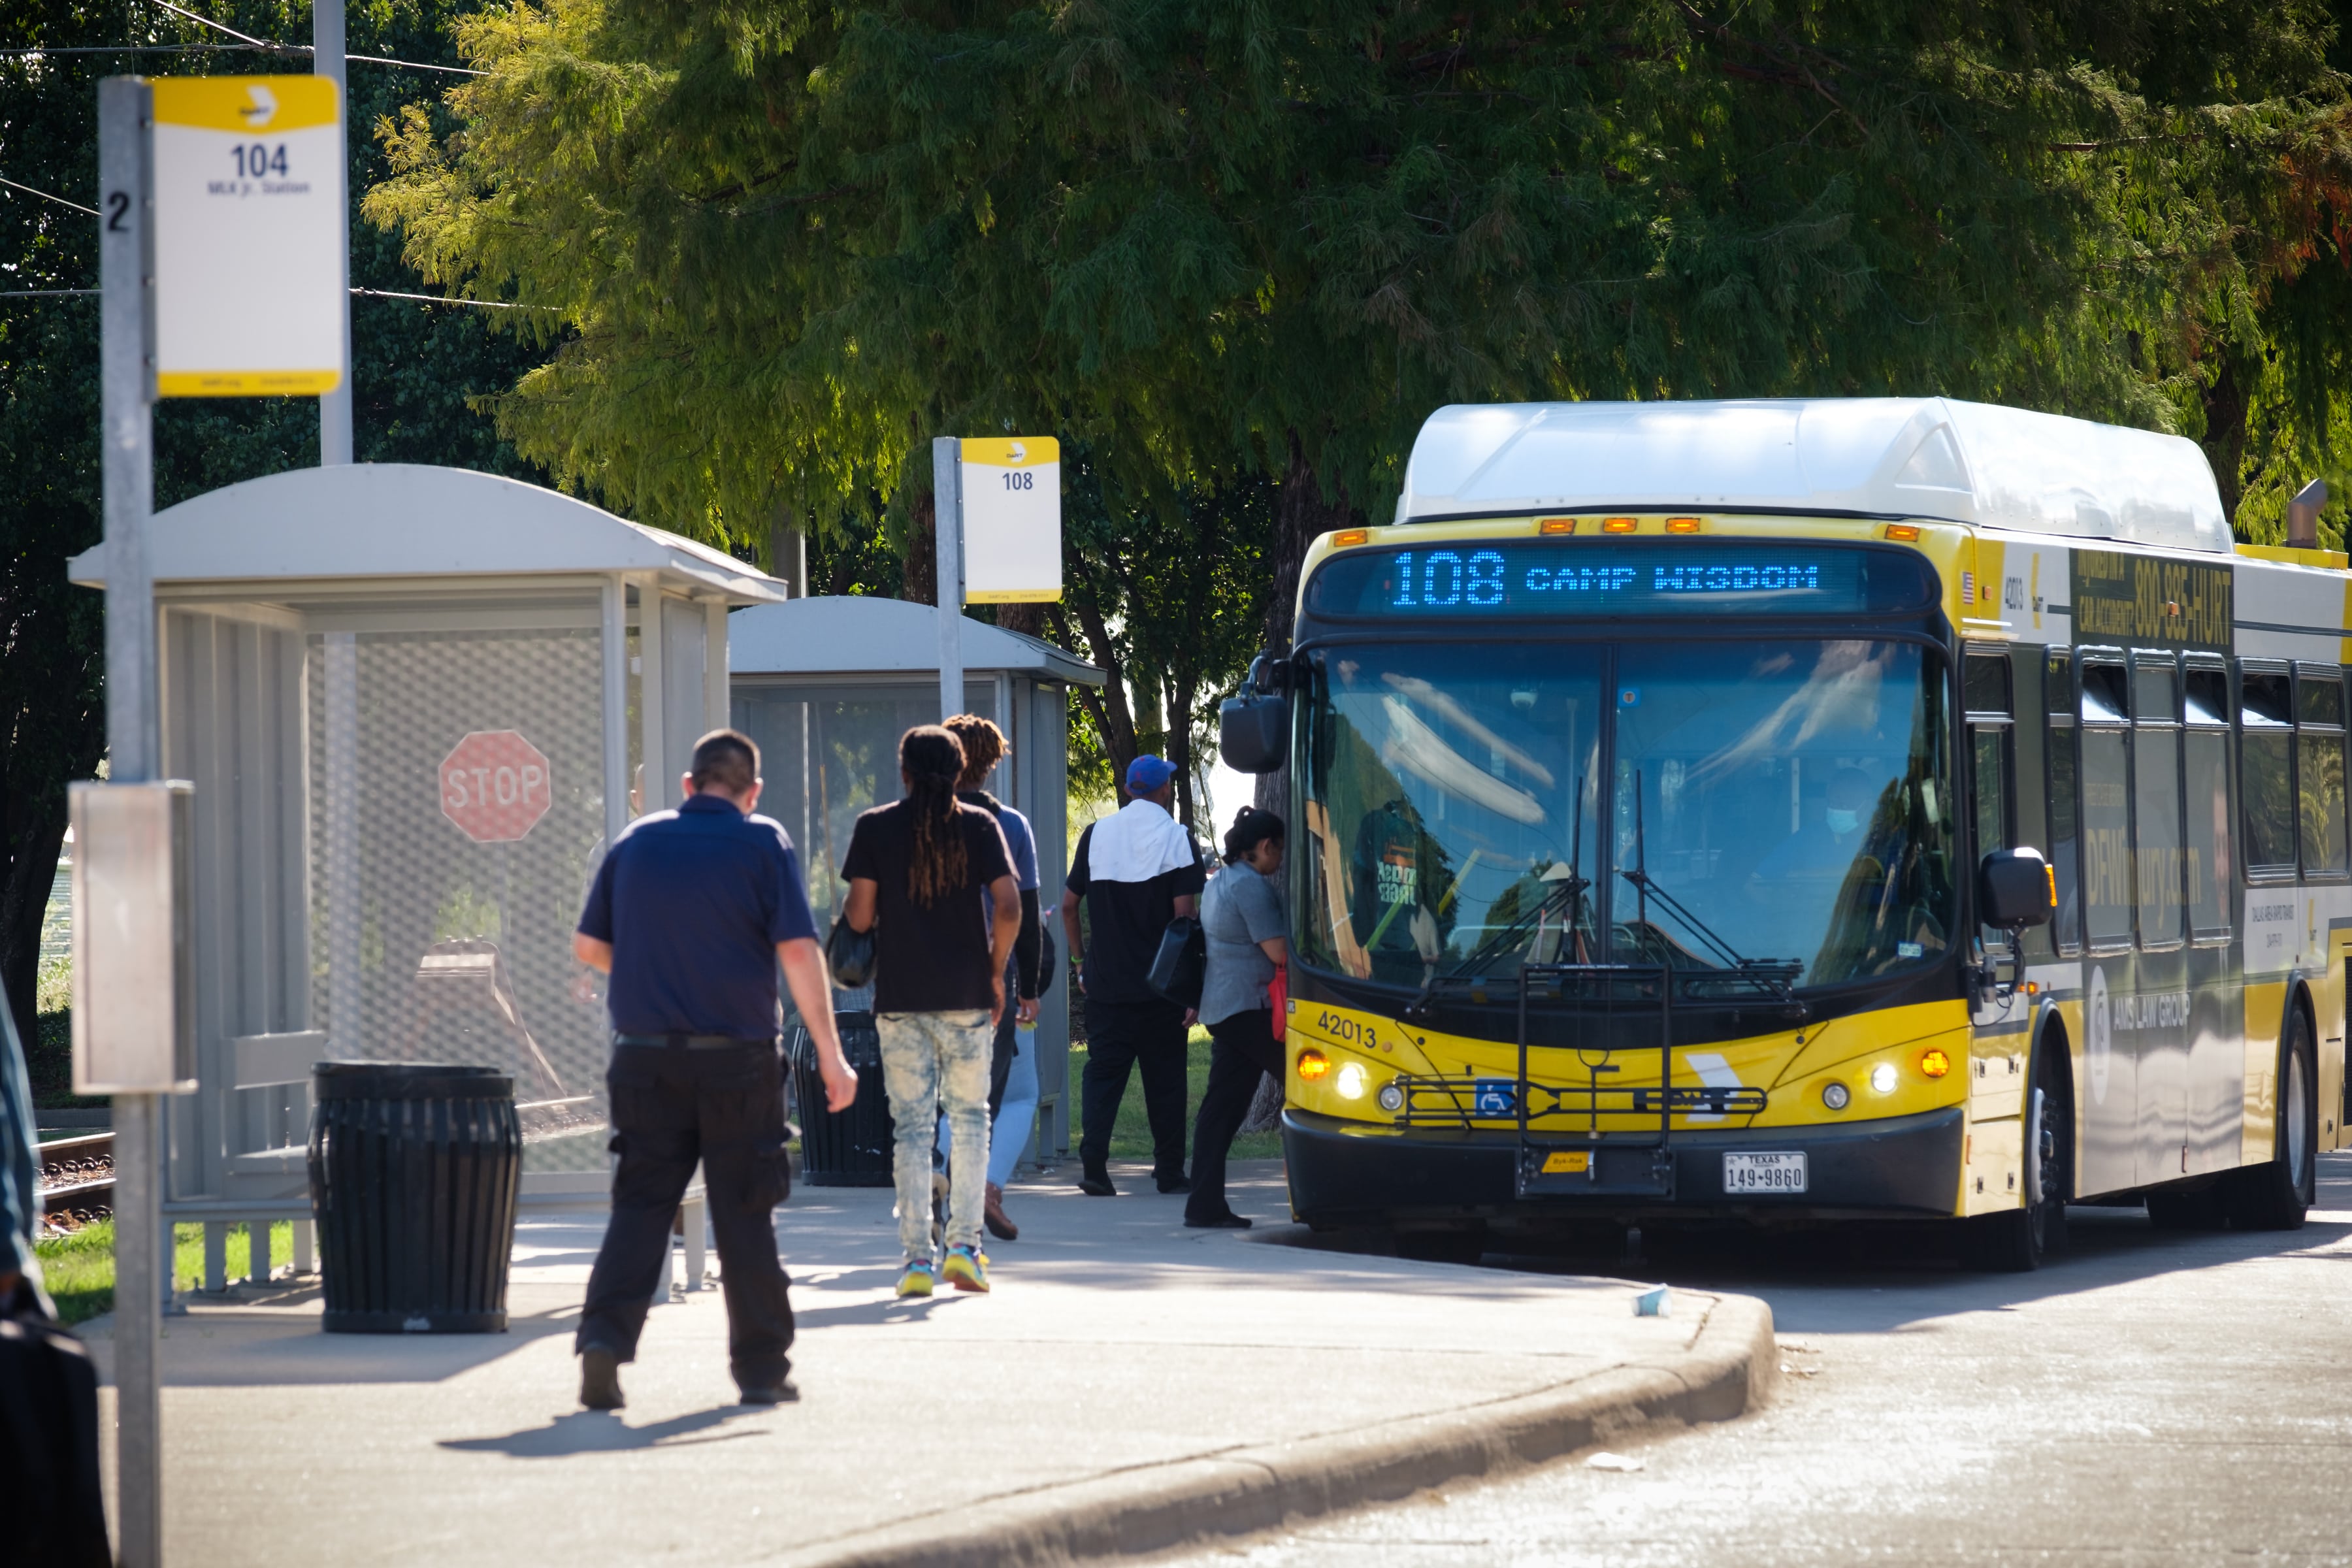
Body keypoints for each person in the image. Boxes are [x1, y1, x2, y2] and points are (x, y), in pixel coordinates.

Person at [571, 728, 858, 1412]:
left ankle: (604, 1342)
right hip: (738, 1062)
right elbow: (797, 951)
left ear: (688, 785)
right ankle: (760, 1370)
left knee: (641, 1205)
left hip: (643, 1057)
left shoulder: (635, 842)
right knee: (745, 1213)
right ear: (752, 792)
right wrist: (830, 1052)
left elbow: (589, 945)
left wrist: (653, 975)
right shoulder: (763, 842)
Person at [842, 726, 1019, 1299]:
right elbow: (1010, 905)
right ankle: (964, 1248)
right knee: (970, 1120)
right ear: (960, 770)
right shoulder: (980, 825)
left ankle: (917, 1258)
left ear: (904, 773)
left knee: (913, 1130)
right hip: (967, 995)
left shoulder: (875, 827)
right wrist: (996, 971)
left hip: (901, 999)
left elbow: (860, 918)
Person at [1061, 755, 1206, 1197]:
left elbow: (1068, 906)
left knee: (1103, 1076)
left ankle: (1094, 1165)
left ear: (1128, 790)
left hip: (1106, 985)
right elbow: (1184, 918)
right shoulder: (1178, 839)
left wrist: (1080, 962)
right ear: (1164, 790)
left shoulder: (1095, 835)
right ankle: (1169, 1172)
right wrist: (1192, 989)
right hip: (1162, 989)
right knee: (1166, 1080)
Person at [939, 713, 1042, 1242]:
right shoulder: (1012, 826)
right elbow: (1024, 912)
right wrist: (1031, 989)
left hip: (927, 975)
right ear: (992, 762)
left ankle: (941, 1181)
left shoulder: (917, 821)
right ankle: (968, 1194)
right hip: (990, 976)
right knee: (983, 1096)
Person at [1187, 808, 1287, 1229]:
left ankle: (1204, 1205)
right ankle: (1338, 1184)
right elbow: (1279, 952)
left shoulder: (1219, 881)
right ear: (1265, 846)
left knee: (1222, 1110)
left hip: (1224, 1007)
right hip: (1249, 1007)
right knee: (1310, 1084)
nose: (1280, 859)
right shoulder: (1250, 886)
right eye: (1279, 850)